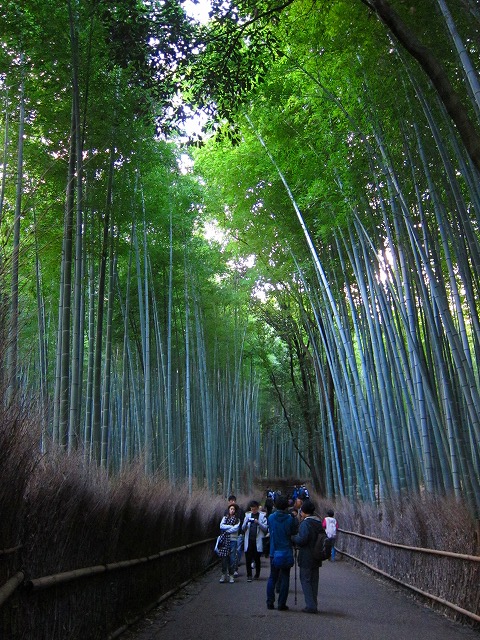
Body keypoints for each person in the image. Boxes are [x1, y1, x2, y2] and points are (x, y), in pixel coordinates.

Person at [266, 494, 299, 611]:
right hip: (286, 551)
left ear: (275, 505)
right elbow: (294, 531)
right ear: (287, 506)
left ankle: (270, 602)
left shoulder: (270, 518)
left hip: (274, 552)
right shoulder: (290, 519)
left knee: (272, 577)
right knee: (285, 577)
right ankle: (281, 604)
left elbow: (269, 528)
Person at [292, 499, 323, 614]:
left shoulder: (306, 523)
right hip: (317, 555)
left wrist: (294, 538)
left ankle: (310, 605)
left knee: (305, 580)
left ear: (304, 512)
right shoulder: (318, 522)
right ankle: (313, 603)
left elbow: (302, 539)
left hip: (306, 556)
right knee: (314, 581)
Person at [242, 500, 268, 582]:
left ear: (257, 508)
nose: (254, 510)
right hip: (249, 540)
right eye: (252, 509)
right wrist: (246, 523)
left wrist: (258, 523)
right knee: (248, 558)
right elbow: (243, 528)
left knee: (257, 558)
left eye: (255, 509)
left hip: (257, 540)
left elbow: (265, 529)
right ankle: (249, 575)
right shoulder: (247, 516)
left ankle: (257, 574)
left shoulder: (262, 516)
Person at [219, 503, 241, 583]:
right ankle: (223, 574)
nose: (232, 510)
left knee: (232, 558)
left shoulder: (237, 519)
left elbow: (236, 529)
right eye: (231, 509)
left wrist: (227, 528)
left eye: (233, 509)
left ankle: (231, 574)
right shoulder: (225, 518)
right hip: (225, 540)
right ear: (229, 510)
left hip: (233, 540)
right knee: (224, 558)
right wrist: (230, 527)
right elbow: (221, 526)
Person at [225, 495, 245, 575]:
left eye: (234, 501)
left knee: (237, 551)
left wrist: (242, 532)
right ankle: (230, 569)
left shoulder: (240, 511)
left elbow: (242, 523)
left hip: (238, 534)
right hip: (228, 536)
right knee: (230, 553)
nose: (232, 502)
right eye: (231, 501)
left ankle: (234, 568)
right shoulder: (226, 512)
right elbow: (222, 524)